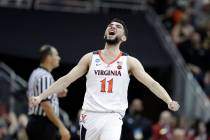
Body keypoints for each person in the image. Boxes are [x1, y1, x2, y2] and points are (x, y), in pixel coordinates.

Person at [30, 18, 180, 140]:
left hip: (113, 116)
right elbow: (66, 79)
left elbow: (152, 83)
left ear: (124, 37)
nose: (112, 26)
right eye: (110, 25)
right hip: (89, 115)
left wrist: (168, 100)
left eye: (117, 26)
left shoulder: (130, 62)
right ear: (105, 33)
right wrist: (41, 96)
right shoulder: (90, 58)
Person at [26, 45, 71, 140]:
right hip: (43, 124)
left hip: (35, 122)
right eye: (57, 55)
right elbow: (45, 104)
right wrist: (61, 127)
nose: (59, 58)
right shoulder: (45, 76)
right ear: (49, 57)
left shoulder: (35, 72)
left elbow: (37, 95)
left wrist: (55, 93)